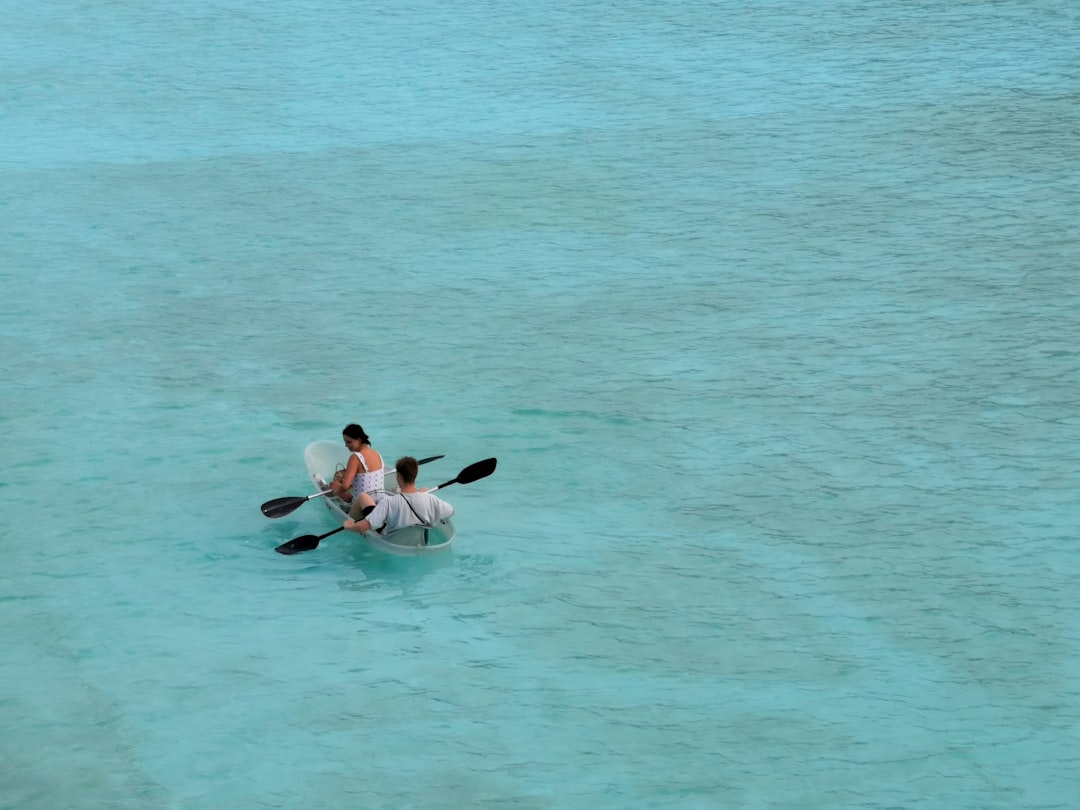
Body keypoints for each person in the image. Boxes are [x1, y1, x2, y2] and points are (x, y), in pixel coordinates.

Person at [343, 456, 454, 535]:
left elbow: (363, 527)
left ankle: (347, 512)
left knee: (363, 497)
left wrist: (350, 526)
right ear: (415, 475)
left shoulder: (388, 502)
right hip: (418, 540)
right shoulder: (431, 500)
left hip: (391, 539)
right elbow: (450, 511)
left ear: (399, 476)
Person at [327, 424, 385, 519]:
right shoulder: (377, 454)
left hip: (362, 506)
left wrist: (336, 492)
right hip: (380, 501)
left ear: (358, 440)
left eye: (349, 442)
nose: (346, 445)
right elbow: (365, 479)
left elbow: (345, 486)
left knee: (333, 485)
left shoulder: (356, 457)